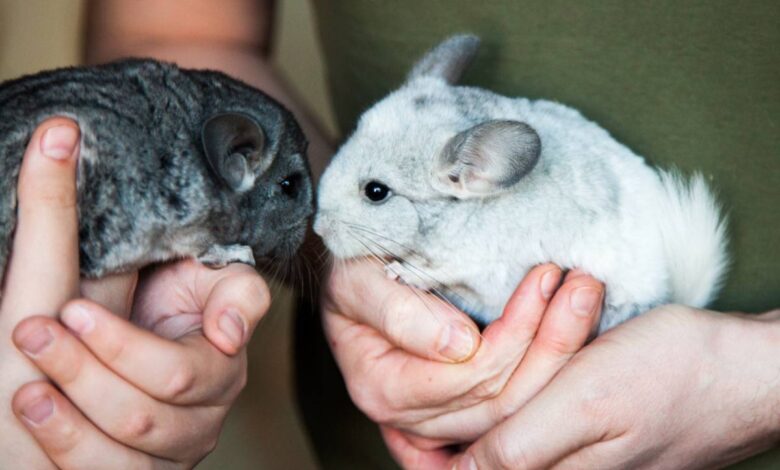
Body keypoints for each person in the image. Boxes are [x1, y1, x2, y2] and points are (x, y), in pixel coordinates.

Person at [2, 1, 777, 468]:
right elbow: (169, 26)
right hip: (379, 448)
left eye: (364, 192)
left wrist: (753, 373)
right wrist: (336, 265)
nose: (321, 216)